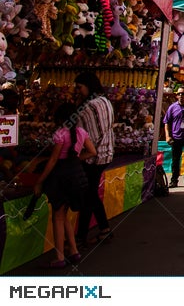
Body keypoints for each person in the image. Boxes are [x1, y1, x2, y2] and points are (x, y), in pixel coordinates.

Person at [35, 102, 96, 268]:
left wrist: (39, 181)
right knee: (64, 215)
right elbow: (92, 152)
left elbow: (53, 160)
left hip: (60, 176)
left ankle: (60, 256)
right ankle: (74, 251)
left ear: (61, 118)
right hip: (77, 175)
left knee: (57, 216)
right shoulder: (81, 132)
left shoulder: (60, 134)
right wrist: (75, 159)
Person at [74, 71, 115, 247]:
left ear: (88, 86)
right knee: (90, 194)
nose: (77, 91)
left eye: (79, 87)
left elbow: (86, 134)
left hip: (93, 156)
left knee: (88, 196)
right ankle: (104, 229)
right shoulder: (105, 101)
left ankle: (81, 236)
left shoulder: (89, 106)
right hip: (106, 153)